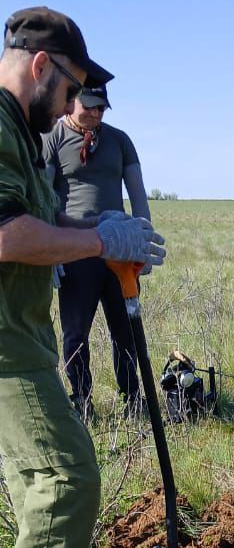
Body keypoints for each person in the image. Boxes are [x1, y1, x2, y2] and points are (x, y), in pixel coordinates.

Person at [0, 5, 165, 548]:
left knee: (42, 470)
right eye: (70, 89)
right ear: (41, 66)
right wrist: (96, 239)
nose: (73, 103)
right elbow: (6, 232)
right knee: (65, 471)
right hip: (4, 346)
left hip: (24, 328)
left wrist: (83, 247)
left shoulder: (21, 130)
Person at [44, 81, 151, 420]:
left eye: (101, 107)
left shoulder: (119, 141)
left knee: (126, 330)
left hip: (118, 251)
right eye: (88, 105)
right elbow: (43, 200)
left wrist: (142, 242)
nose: (95, 113)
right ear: (69, 102)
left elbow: (138, 195)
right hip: (75, 253)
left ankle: (133, 402)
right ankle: (83, 405)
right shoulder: (52, 139)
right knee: (75, 335)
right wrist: (51, 254)